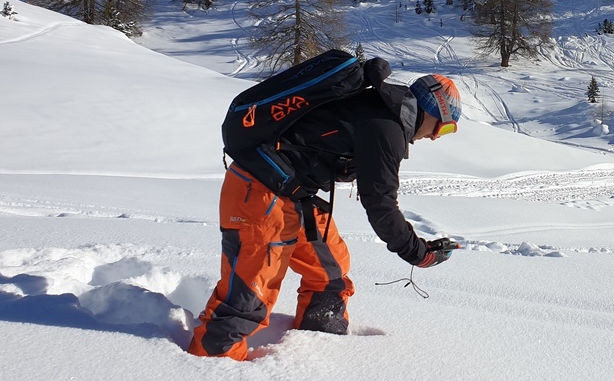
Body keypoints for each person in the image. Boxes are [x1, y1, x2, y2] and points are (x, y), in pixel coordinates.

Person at [188, 70, 462, 361]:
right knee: (249, 297)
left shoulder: (379, 108)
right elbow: (381, 205)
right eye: (443, 128)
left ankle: (320, 346)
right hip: (260, 195)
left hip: (294, 194)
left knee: (330, 271)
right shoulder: (386, 127)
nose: (435, 137)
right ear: (430, 110)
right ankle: (211, 367)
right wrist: (417, 253)